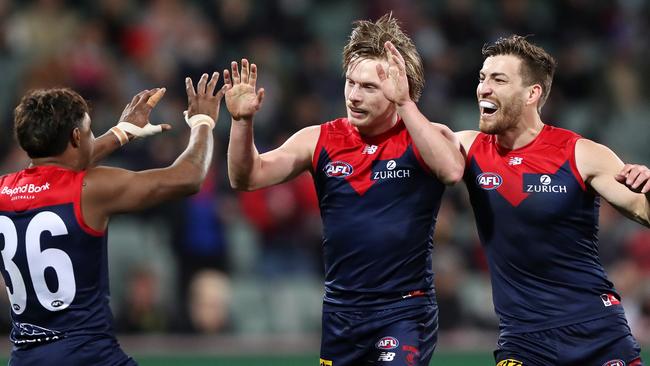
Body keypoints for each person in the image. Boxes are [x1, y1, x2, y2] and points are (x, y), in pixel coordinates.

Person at [224, 13, 464, 366]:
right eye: (350, 83)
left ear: (401, 88)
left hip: (404, 310)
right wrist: (242, 123)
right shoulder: (319, 139)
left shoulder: (426, 136)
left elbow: (451, 170)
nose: (353, 96)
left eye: (369, 87)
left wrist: (406, 105)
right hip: (342, 313)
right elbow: (246, 178)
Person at [0, 71, 227, 365]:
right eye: (90, 130)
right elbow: (188, 177)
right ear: (76, 136)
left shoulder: (4, 190)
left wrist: (123, 132)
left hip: (24, 358)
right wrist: (203, 123)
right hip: (89, 356)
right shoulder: (91, 189)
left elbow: (58, 167)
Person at [456, 35, 648, 366]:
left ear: (533, 94)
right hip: (523, 340)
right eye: (482, 78)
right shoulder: (467, 148)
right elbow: (404, 148)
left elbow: (642, 211)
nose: (483, 89)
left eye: (498, 80)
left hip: (596, 331)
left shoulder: (580, 153)